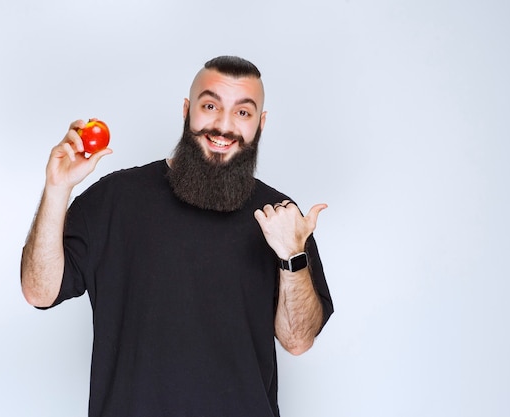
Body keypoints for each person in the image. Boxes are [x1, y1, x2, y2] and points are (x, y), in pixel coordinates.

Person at [21, 55, 333, 417]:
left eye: (243, 113)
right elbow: (38, 291)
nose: (223, 125)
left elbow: (297, 341)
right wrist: (57, 188)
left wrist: (292, 256)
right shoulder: (116, 199)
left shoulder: (282, 217)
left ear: (260, 125)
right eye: (210, 105)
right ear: (187, 110)